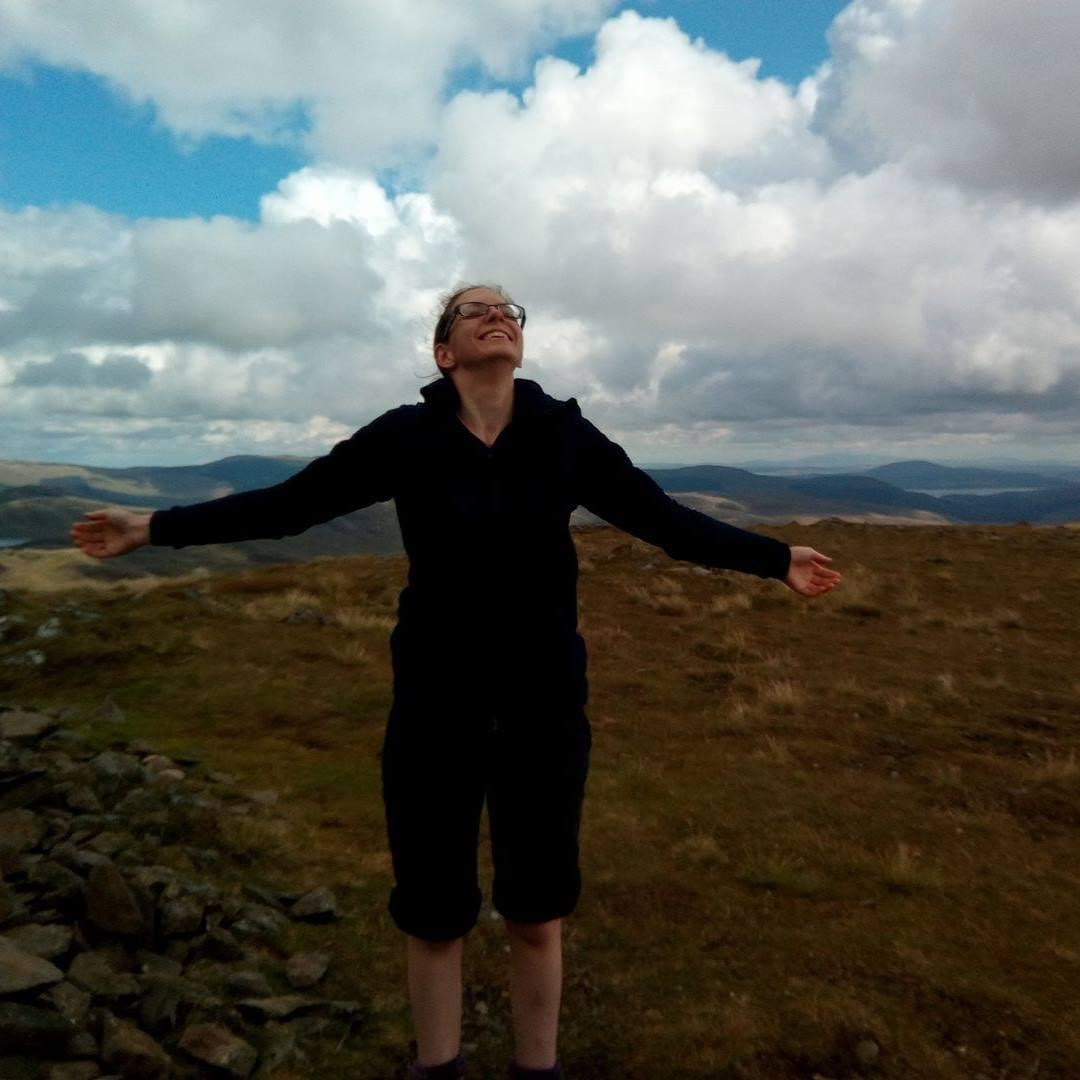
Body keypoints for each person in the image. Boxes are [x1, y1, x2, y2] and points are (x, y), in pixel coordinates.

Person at [71, 283, 841, 1079]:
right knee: (435, 913)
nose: (497, 313)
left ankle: (535, 1070)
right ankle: (436, 1067)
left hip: (544, 708)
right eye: (474, 309)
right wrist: (154, 526)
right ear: (445, 352)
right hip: (434, 707)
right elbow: (289, 507)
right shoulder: (407, 437)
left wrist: (774, 557)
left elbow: (666, 521)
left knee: (537, 909)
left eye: (509, 308)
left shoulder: (566, 438)